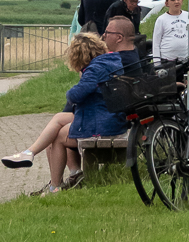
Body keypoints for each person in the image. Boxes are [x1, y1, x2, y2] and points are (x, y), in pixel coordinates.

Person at [0, 24, 134, 192]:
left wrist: (81, 77)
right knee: (59, 118)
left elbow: (75, 95)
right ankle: (31, 153)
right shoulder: (110, 61)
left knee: (56, 138)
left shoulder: (94, 69)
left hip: (103, 124)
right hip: (108, 117)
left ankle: (55, 186)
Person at [152, 0, 189, 65]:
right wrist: (157, 64)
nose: (176, 2)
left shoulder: (188, 16)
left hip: (185, 60)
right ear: (167, 3)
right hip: (167, 61)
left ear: (182, 1)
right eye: (173, 0)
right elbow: (156, 44)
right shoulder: (161, 20)